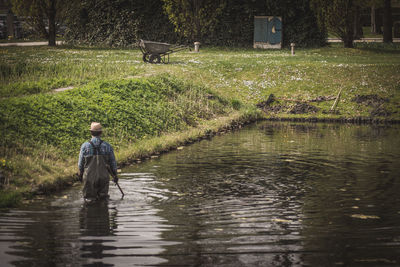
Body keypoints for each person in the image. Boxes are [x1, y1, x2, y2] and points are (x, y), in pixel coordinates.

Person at [78, 122, 118, 201]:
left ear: (91, 132)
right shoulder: (107, 146)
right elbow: (113, 163)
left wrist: (80, 175)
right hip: (103, 177)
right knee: (103, 199)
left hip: (89, 177)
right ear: (101, 132)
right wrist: (115, 175)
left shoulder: (85, 146)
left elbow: (80, 164)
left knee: (89, 200)